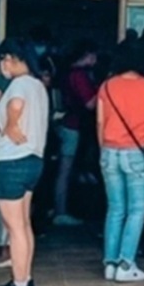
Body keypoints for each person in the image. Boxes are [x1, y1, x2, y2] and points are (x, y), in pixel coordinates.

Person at [97, 39, 144, 283]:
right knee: (137, 210)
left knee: (116, 209)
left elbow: (99, 122)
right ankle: (125, 263)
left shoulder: (107, 86)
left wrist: (103, 151)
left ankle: (109, 263)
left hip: (109, 152)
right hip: (137, 154)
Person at [0, 38, 49, 286]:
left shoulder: (19, 85)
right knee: (23, 225)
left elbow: (16, 105)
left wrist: (10, 125)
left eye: (3, 60)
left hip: (11, 162)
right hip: (32, 161)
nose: (2, 66)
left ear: (11, 58)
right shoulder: (37, 85)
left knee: (15, 227)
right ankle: (24, 280)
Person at [51, 42, 99, 227]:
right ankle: (60, 211)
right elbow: (89, 104)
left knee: (65, 169)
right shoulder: (79, 75)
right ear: (87, 55)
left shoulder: (65, 72)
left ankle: (59, 209)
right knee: (65, 169)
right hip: (73, 125)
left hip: (66, 124)